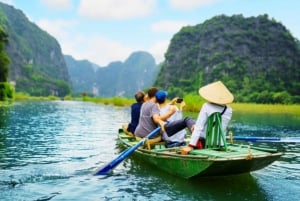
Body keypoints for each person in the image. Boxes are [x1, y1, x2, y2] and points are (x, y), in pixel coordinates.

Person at [182, 81, 234, 154]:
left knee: (193, 125)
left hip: (205, 143)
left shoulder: (206, 106)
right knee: (195, 126)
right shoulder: (229, 110)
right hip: (220, 143)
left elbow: (199, 127)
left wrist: (191, 145)